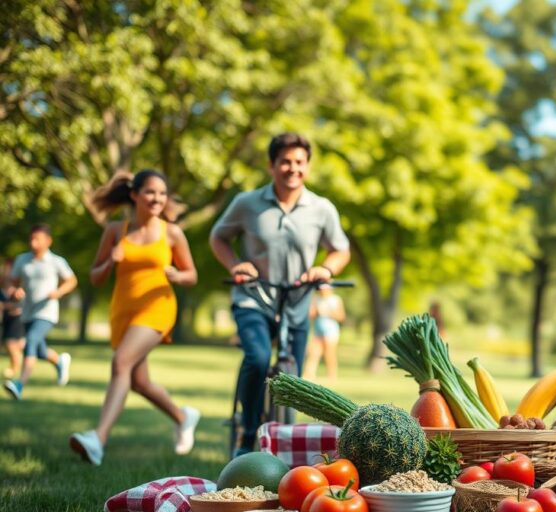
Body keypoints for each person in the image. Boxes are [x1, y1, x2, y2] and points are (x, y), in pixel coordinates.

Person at [210, 132, 351, 456]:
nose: (293, 168)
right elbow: (218, 238)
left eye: (299, 162)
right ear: (271, 165)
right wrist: (235, 265)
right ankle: (246, 435)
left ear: (308, 167)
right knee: (258, 358)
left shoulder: (321, 208)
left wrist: (325, 269)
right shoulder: (247, 203)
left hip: (297, 303)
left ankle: (282, 444)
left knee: (293, 380)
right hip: (253, 298)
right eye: (285, 161)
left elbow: (340, 250)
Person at [68, 170, 201, 465]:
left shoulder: (172, 233)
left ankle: (98, 439)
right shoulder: (117, 230)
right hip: (123, 310)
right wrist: (111, 260)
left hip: (157, 306)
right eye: (151, 192)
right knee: (138, 382)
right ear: (135, 195)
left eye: (162, 193)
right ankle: (183, 416)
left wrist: (177, 275)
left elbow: (192, 274)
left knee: (120, 363)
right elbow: (95, 276)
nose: (157, 198)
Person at [4, 225, 76, 400]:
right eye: (31, 239)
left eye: (37, 239)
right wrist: (14, 292)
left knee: (31, 341)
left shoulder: (56, 261)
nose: (33, 242)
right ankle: (59, 361)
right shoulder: (22, 260)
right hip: (27, 312)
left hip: (47, 312)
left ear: (48, 241)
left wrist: (58, 292)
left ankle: (19, 384)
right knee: (39, 350)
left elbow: (72, 281)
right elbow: (11, 283)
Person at [303, 284, 346, 380]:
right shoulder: (316, 299)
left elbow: (341, 317)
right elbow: (311, 315)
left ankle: (332, 375)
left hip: (331, 331)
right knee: (313, 353)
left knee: (329, 354)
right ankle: (309, 374)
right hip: (318, 330)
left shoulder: (335, 299)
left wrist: (327, 312)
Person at [1, 259, 26, 380]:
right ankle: (14, 368)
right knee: (11, 345)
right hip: (7, 320)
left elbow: (22, 304)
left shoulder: (19, 289)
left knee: (11, 344)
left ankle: (14, 370)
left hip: (18, 320)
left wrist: (6, 306)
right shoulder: (2, 289)